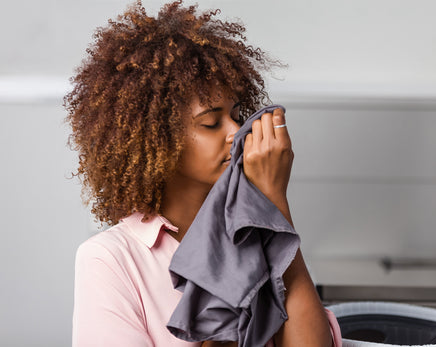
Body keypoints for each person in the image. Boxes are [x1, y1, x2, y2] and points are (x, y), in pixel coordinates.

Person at [65, 1, 341, 346]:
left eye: (237, 115)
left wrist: (274, 208)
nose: (235, 132)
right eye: (211, 123)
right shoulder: (110, 258)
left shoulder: (253, 235)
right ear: (156, 138)